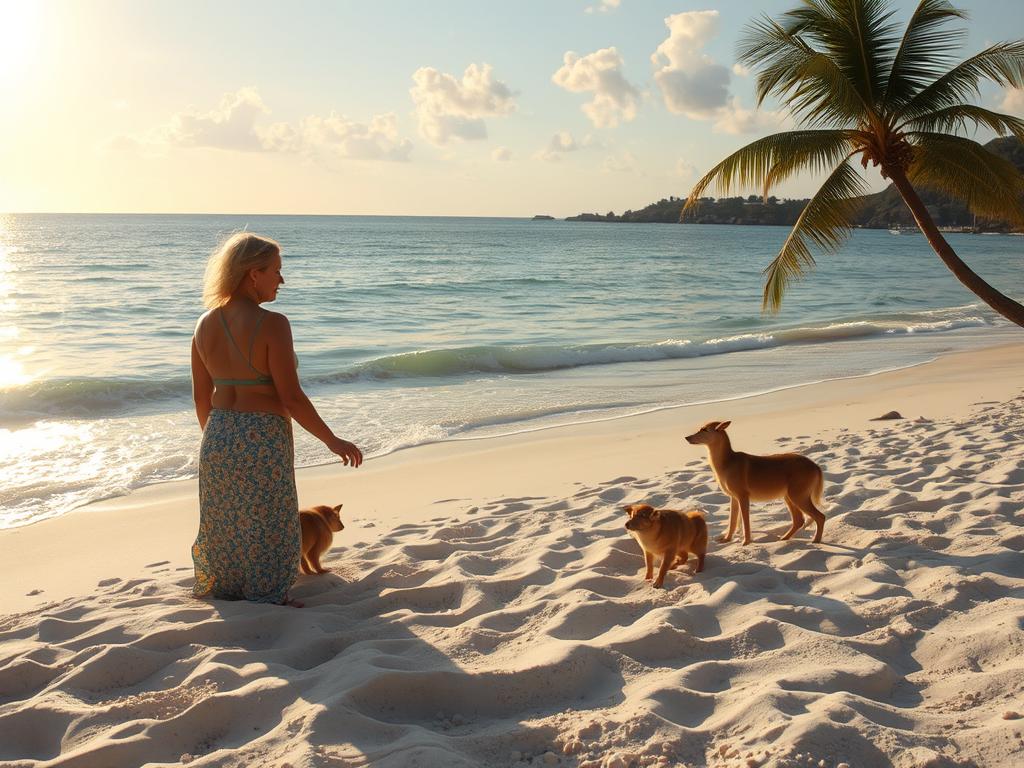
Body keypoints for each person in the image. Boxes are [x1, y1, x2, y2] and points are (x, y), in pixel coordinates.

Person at [190, 232, 362, 607]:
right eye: (276, 272)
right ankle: (268, 594)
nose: (281, 280)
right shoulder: (273, 324)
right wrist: (334, 441)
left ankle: (229, 586)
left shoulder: (204, 324)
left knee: (227, 519)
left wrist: (219, 441)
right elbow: (291, 397)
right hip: (262, 434)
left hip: (217, 434)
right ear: (254, 274)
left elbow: (201, 397)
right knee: (270, 519)